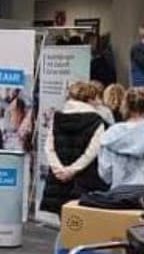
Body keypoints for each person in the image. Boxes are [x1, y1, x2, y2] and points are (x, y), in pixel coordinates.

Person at [41, 82, 106, 214]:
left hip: (58, 181)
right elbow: (92, 152)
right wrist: (71, 170)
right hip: (84, 181)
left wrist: (58, 170)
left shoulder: (57, 118)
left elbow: (49, 147)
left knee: (63, 219)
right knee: (80, 221)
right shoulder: (97, 121)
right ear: (90, 99)